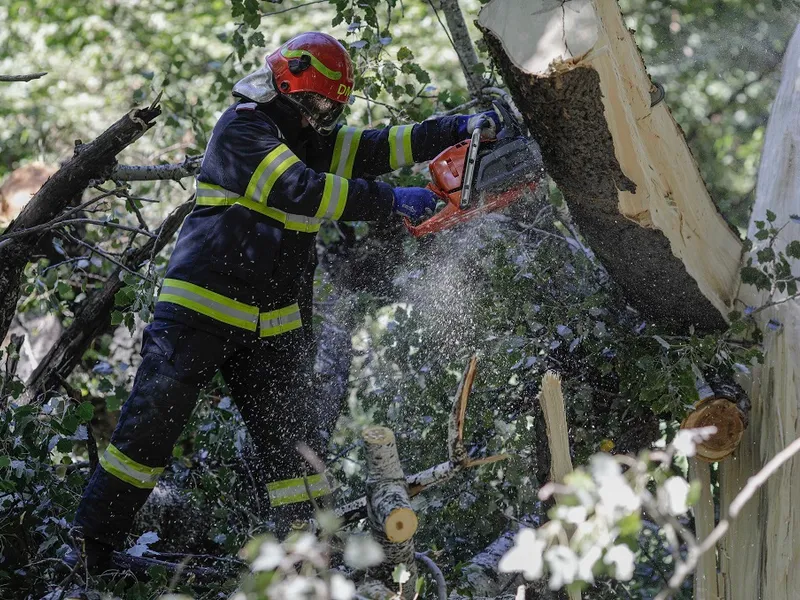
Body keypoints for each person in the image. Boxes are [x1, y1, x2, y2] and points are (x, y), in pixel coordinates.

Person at [67, 31, 500, 570]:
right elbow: (299, 189)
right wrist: (393, 200)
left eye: (328, 105)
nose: (320, 113)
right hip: (201, 311)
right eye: (315, 101)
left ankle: (309, 556)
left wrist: (456, 129)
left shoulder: (307, 135)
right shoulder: (242, 128)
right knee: (148, 432)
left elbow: (376, 147)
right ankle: (91, 548)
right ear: (288, 84)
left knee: (295, 451)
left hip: (271, 324)